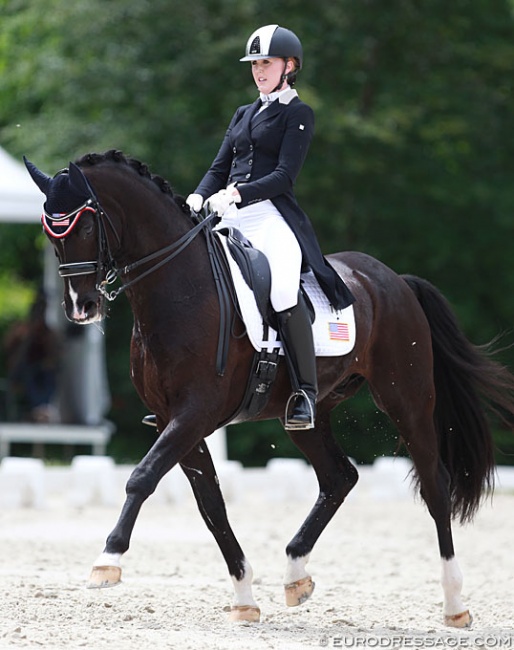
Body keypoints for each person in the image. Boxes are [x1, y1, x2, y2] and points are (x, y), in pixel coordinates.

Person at [187, 24, 355, 430]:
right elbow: (218, 166)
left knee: (282, 288)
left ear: (289, 66)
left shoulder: (297, 114)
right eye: (255, 64)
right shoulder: (244, 113)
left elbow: (284, 176)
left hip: (271, 216)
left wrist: (239, 193)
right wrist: (197, 195)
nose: (259, 71)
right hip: (230, 214)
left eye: (267, 63)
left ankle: (305, 394)